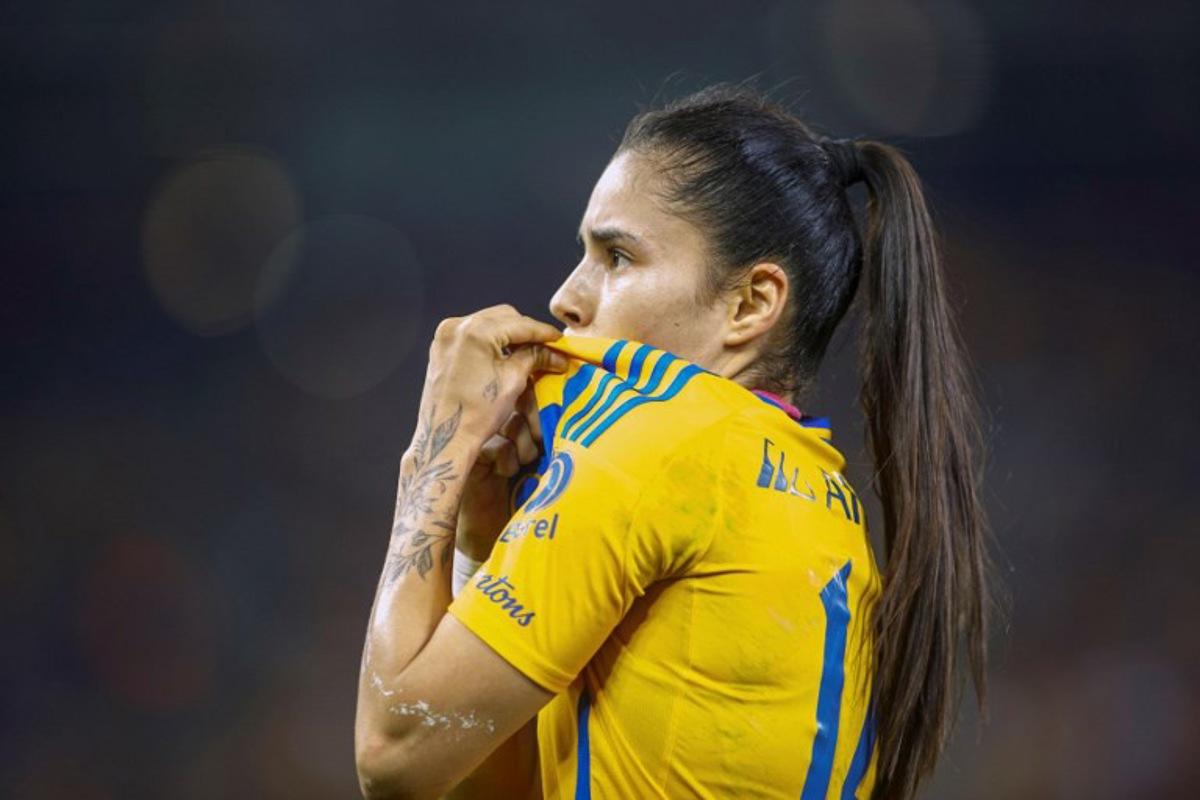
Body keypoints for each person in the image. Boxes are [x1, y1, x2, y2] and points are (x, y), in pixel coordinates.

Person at [354, 83, 990, 800]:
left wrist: (435, 453)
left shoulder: (660, 443)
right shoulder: (821, 495)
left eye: (617, 257)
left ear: (750, 304)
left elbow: (395, 753)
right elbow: (470, 768)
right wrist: (480, 519)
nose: (567, 297)